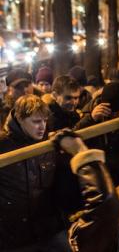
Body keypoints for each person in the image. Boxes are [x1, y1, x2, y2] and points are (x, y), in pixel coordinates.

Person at [0, 95, 70, 251]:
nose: (42, 127)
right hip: (13, 235)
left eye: (44, 121)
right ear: (19, 118)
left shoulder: (49, 144)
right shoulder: (2, 145)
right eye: (36, 122)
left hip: (48, 229)